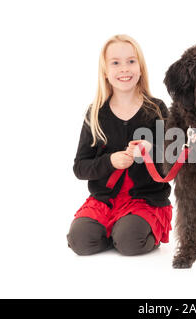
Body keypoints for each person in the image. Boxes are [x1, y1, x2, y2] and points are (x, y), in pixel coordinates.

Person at [67, 34, 172, 256]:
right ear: (105, 72)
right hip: (105, 200)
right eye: (116, 63)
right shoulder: (95, 113)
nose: (124, 68)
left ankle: (129, 232)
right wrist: (110, 161)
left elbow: (172, 162)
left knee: (130, 242)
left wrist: (152, 149)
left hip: (144, 199)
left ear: (141, 68)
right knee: (80, 241)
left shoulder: (157, 109)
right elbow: (80, 167)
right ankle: (114, 230)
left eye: (131, 61)